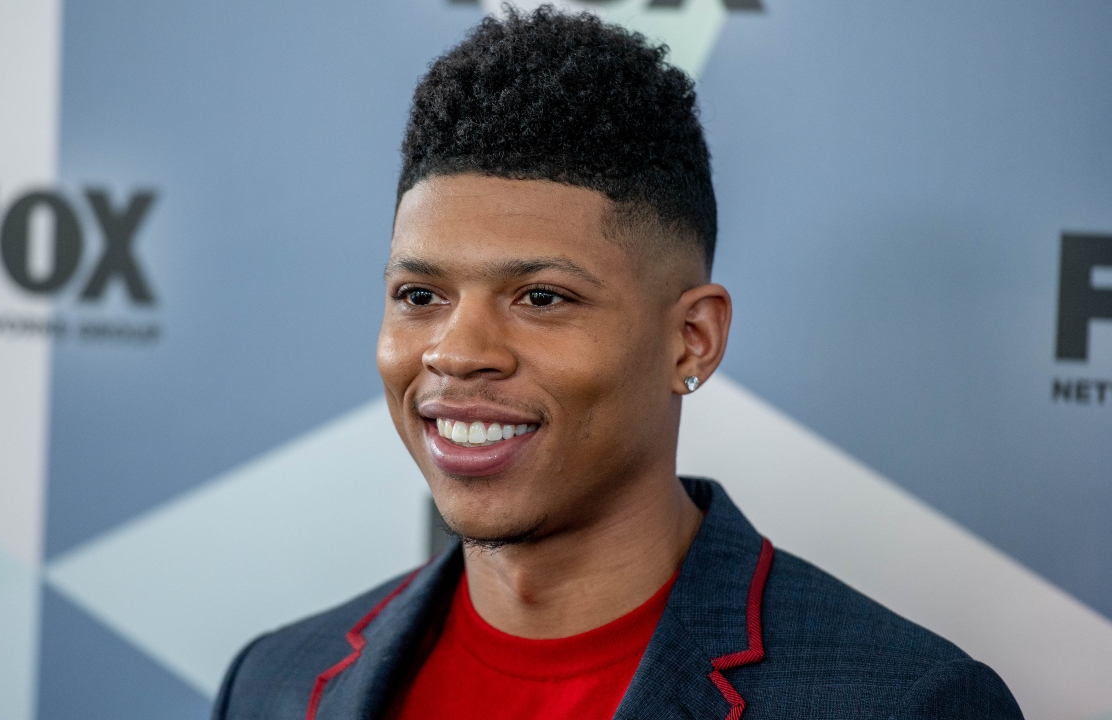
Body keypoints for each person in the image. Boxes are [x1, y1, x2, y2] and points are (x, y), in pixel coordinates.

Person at [213, 7, 1022, 719]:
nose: (456, 351)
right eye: (419, 294)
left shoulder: (905, 703)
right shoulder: (276, 683)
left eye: (541, 298)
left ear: (692, 340)